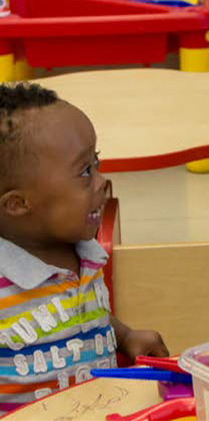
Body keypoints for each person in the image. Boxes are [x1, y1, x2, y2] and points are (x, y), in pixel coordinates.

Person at [0, 83, 168, 416]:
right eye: (85, 172)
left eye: (97, 162)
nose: (102, 181)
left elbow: (87, 314)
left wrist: (125, 335)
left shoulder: (86, 254)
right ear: (19, 204)